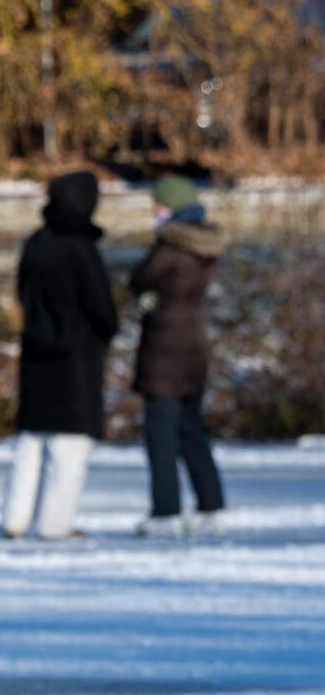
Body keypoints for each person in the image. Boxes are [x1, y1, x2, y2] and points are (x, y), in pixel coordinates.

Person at [4, 170, 118, 541]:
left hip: (37, 354)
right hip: (76, 362)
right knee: (69, 447)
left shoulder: (37, 242)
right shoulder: (83, 250)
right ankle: (55, 524)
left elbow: (23, 291)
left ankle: (15, 518)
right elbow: (102, 309)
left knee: (30, 444)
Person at [133, 175, 229, 538]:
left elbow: (139, 279)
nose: (155, 213)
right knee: (193, 431)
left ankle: (165, 510)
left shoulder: (170, 249)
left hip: (164, 351)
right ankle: (211, 504)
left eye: (159, 207)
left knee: (161, 434)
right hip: (193, 350)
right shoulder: (204, 247)